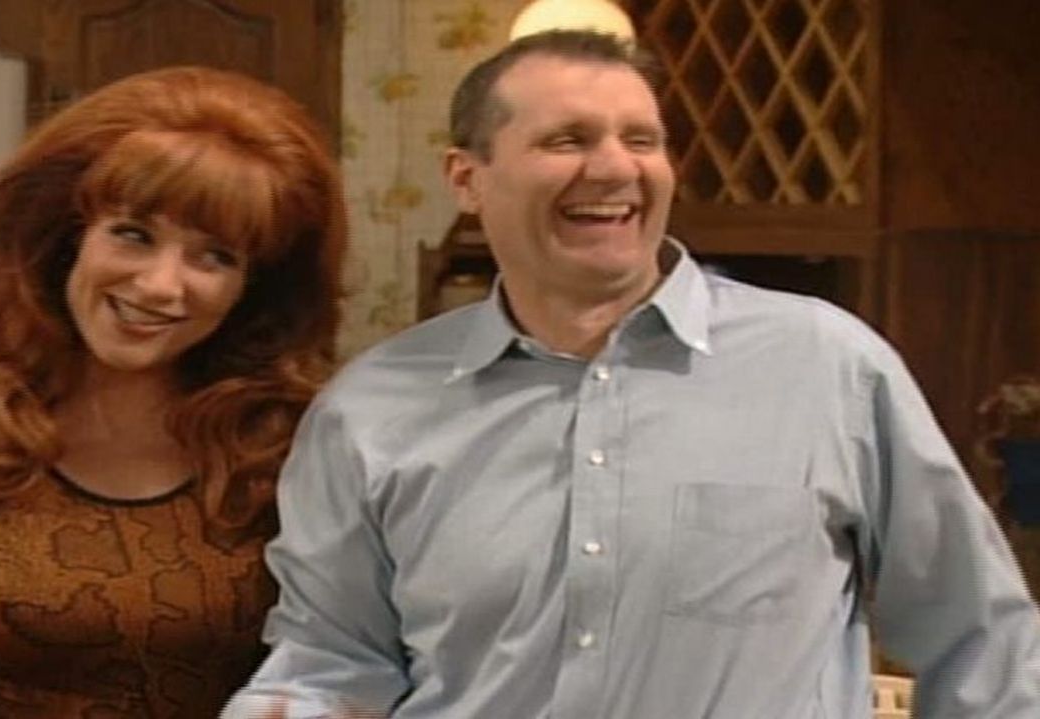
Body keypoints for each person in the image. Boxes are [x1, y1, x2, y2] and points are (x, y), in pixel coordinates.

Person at [224, 30, 1040, 719]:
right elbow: (331, 660)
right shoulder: (369, 408)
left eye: (641, 140)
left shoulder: (827, 365)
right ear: (467, 178)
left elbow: (981, 638)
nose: (615, 168)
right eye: (567, 140)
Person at [0, 65, 346, 717]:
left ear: (253, 288)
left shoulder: (301, 446)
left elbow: (345, 672)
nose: (161, 286)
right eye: (133, 234)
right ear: (67, 238)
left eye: (215, 256)